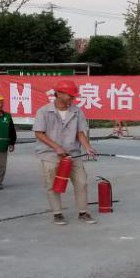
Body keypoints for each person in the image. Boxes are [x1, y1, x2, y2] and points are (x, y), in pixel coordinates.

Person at [33, 80, 99, 226]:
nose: (72, 98)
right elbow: (39, 133)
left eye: (73, 96)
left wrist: (87, 147)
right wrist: (56, 147)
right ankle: (57, 214)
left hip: (73, 154)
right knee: (53, 184)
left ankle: (83, 212)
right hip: (50, 155)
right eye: (70, 95)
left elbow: (80, 133)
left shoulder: (77, 112)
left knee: (81, 182)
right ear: (59, 93)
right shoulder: (43, 111)